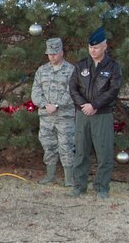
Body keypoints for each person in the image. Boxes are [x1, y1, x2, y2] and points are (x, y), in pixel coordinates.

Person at [69, 27, 123, 200]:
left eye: (96, 47)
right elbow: (73, 88)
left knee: (104, 152)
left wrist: (95, 105)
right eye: (90, 47)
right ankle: (79, 186)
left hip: (102, 114)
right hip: (83, 114)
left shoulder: (113, 67)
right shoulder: (81, 66)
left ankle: (101, 187)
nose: (93, 50)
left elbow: (113, 90)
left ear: (104, 46)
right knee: (81, 151)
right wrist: (84, 105)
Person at [31, 37, 77, 186]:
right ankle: (50, 176)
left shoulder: (71, 70)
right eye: (49, 54)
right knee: (48, 145)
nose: (52, 56)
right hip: (46, 116)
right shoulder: (42, 70)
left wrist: (57, 105)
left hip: (65, 116)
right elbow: (36, 92)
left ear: (62, 53)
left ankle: (69, 179)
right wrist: (45, 105)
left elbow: (72, 92)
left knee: (66, 146)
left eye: (55, 53)